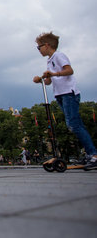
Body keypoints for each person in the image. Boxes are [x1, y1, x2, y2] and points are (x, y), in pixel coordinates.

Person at [33, 32, 97, 170]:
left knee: (73, 125)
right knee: (76, 125)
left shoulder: (59, 56)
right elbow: (50, 81)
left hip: (69, 93)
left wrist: (54, 74)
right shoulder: (49, 60)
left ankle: (94, 155)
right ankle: (90, 154)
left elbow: (69, 70)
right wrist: (42, 79)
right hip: (60, 95)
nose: (39, 50)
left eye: (39, 47)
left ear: (47, 45)